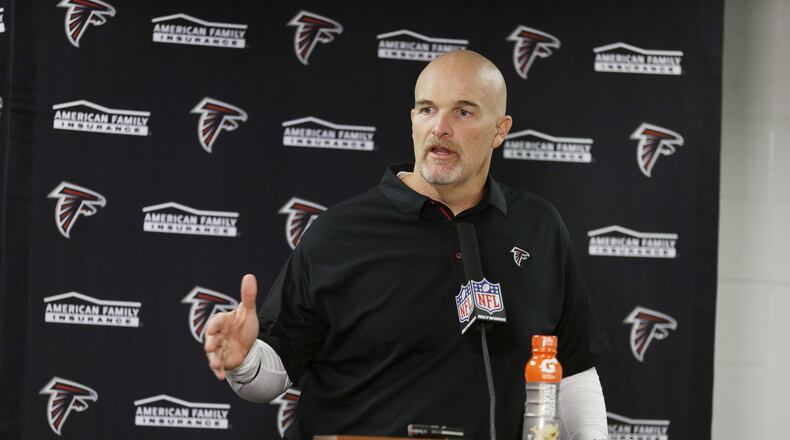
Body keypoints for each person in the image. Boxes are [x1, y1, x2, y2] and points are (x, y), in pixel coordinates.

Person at [204, 50, 609, 440]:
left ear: (500, 130)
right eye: (427, 109)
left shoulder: (538, 225)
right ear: (413, 119)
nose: (440, 127)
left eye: (463, 111)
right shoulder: (339, 233)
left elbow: (572, 368)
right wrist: (245, 361)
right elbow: (273, 376)